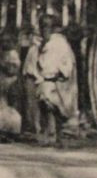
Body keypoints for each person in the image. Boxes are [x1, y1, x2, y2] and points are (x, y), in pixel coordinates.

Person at [30, 14, 79, 147]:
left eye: (47, 26)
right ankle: (50, 135)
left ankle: (57, 136)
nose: (44, 29)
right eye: (42, 26)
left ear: (52, 28)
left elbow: (66, 62)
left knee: (55, 107)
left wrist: (61, 73)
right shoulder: (43, 43)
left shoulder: (59, 43)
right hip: (46, 80)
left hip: (57, 81)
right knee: (46, 107)